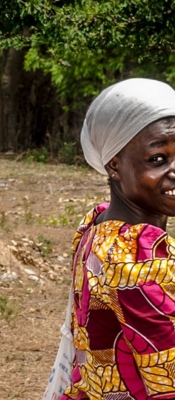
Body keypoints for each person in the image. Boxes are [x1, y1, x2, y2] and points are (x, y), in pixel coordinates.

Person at [60, 77, 175, 399]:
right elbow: (167, 377)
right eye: (157, 159)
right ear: (114, 164)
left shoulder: (97, 224)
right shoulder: (138, 256)